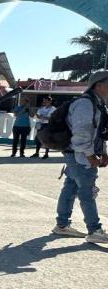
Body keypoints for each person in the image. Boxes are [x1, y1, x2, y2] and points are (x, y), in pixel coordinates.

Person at [52, 70, 108, 243]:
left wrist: (103, 151)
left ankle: (62, 225)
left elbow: (98, 132)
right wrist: (91, 156)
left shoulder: (98, 103)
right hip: (80, 155)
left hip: (79, 154)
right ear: (98, 85)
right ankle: (94, 230)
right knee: (87, 192)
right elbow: (81, 133)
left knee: (70, 188)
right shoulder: (85, 104)